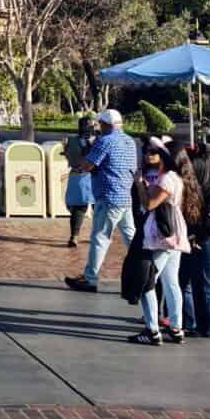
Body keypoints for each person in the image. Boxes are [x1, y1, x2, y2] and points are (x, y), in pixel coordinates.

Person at [130, 141, 200, 345]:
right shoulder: (174, 178)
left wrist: (139, 184)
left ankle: (152, 330)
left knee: (147, 282)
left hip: (162, 235)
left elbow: (149, 203)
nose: (149, 155)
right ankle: (176, 328)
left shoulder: (167, 179)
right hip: (173, 234)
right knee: (171, 282)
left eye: (155, 153)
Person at [65, 108, 140, 292]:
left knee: (100, 238)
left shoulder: (105, 141)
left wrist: (78, 159)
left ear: (106, 124)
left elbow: (87, 165)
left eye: (101, 124)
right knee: (131, 238)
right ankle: (148, 270)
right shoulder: (130, 141)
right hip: (125, 196)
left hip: (108, 196)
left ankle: (90, 278)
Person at [182, 144, 210, 338]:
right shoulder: (207, 189)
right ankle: (191, 321)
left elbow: (209, 223)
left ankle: (206, 326)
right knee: (191, 282)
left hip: (205, 241)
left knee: (203, 284)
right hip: (204, 241)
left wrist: (195, 238)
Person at [62, 116, 95, 248]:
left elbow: (67, 155)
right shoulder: (95, 141)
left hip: (77, 176)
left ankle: (74, 236)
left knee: (79, 207)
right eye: (90, 126)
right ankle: (91, 236)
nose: (91, 128)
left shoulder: (70, 140)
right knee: (92, 208)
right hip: (89, 177)